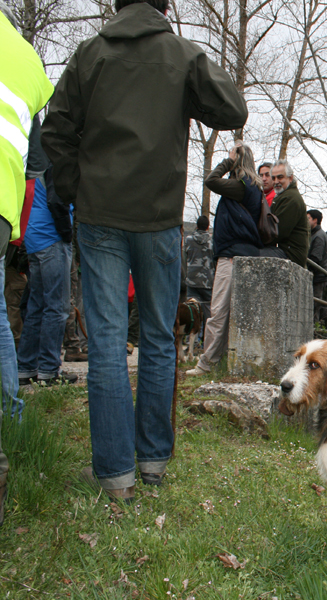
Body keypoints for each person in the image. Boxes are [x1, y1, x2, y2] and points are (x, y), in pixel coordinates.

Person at [40, 0, 247, 502]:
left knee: (110, 342)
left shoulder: (90, 55)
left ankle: (116, 475)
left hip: (101, 214)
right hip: (156, 216)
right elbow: (232, 108)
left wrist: (70, 194)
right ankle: (151, 464)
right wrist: (187, 59)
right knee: (157, 338)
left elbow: (56, 132)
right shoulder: (180, 55)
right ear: (166, 5)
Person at [0, 0, 54, 524]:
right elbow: (35, 165)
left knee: (30, 307)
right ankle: (17, 407)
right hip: (16, 218)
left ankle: (32, 375)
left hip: (26, 234)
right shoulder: (26, 59)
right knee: (29, 310)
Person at [187, 141, 263, 376]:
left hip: (231, 256)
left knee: (218, 311)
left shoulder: (241, 185)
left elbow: (210, 181)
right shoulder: (253, 187)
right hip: (246, 254)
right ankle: (220, 362)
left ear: (237, 160)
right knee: (234, 313)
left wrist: (228, 161)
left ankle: (207, 363)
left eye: (232, 157)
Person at [16, 162, 78, 386]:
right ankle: (49, 370)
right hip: (52, 240)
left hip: (35, 240)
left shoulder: (38, 170)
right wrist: (67, 234)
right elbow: (57, 202)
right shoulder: (58, 169)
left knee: (37, 307)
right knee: (57, 308)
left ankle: (25, 367)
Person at [266, 160, 308, 267]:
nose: (276, 181)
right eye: (273, 178)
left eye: (280, 177)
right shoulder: (283, 196)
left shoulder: (291, 198)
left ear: (290, 178)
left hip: (290, 255)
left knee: (247, 252)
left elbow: (277, 231)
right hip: (285, 250)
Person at [184, 214, 214, 333]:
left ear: (197, 226)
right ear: (207, 227)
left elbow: (184, 257)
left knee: (192, 312)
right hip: (208, 281)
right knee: (208, 312)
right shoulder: (212, 242)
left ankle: (191, 341)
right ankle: (207, 340)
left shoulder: (189, 240)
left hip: (192, 280)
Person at [307, 209, 327, 321]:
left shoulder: (319, 236)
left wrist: (306, 269)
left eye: (308, 218)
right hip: (317, 276)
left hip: (318, 277)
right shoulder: (316, 234)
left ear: (315, 220)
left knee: (314, 306)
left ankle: (315, 331)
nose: (306, 221)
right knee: (314, 305)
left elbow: (315, 258)